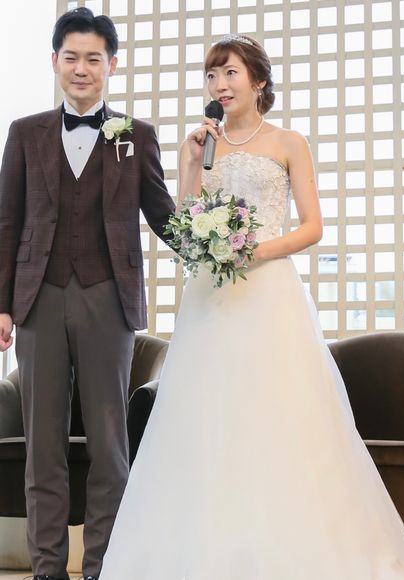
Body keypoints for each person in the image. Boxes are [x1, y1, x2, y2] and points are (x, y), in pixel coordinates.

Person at [99, 34, 404, 579]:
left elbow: (313, 226)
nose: (219, 84)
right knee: (204, 418)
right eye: (211, 75)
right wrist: (191, 164)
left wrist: (254, 250)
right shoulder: (201, 144)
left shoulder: (288, 142)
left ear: (258, 81)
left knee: (276, 414)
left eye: (229, 73)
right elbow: (185, 224)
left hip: (269, 293)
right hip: (210, 296)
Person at [0, 7, 175, 580]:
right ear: (55, 62)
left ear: (111, 65)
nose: (81, 69)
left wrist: (215, 243)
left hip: (109, 299)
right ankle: (48, 570)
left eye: (93, 59)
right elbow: (7, 221)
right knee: (43, 447)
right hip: (38, 298)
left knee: (109, 446)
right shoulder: (23, 133)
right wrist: (2, 304)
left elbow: (162, 214)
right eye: (71, 57)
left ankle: (102, 568)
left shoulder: (136, 135)